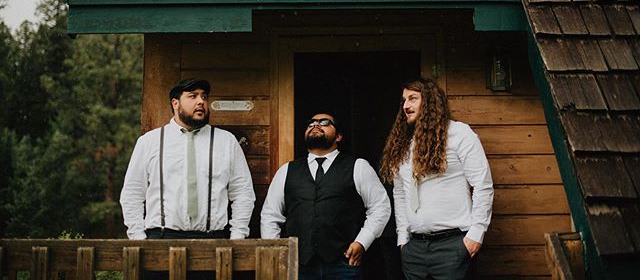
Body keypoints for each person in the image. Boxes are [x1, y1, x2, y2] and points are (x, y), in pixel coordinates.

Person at [380, 77, 493, 280]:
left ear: (430, 101)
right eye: (404, 100)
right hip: (414, 249)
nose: (406, 105)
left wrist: (476, 234)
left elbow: (483, 185)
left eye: (412, 98)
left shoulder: (460, 134)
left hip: (454, 245)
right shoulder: (403, 144)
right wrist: (403, 239)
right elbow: (400, 193)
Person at [120, 78, 255, 241]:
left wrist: (237, 236)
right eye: (193, 96)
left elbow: (242, 192)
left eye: (204, 97)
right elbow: (132, 192)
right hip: (161, 238)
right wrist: (138, 238)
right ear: (175, 103)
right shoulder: (149, 141)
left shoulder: (227, 141)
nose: (201, 102)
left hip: (213, 239)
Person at [261, 111, 391, 279]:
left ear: (338, 136)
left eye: (324, 122)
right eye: (311, 122)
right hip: (298, 264)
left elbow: (380, 207)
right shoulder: (287, 170)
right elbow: (270, 215)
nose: (315, 124)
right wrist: (276, 251)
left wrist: (361, 242)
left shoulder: (358, 167)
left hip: (344, 264)